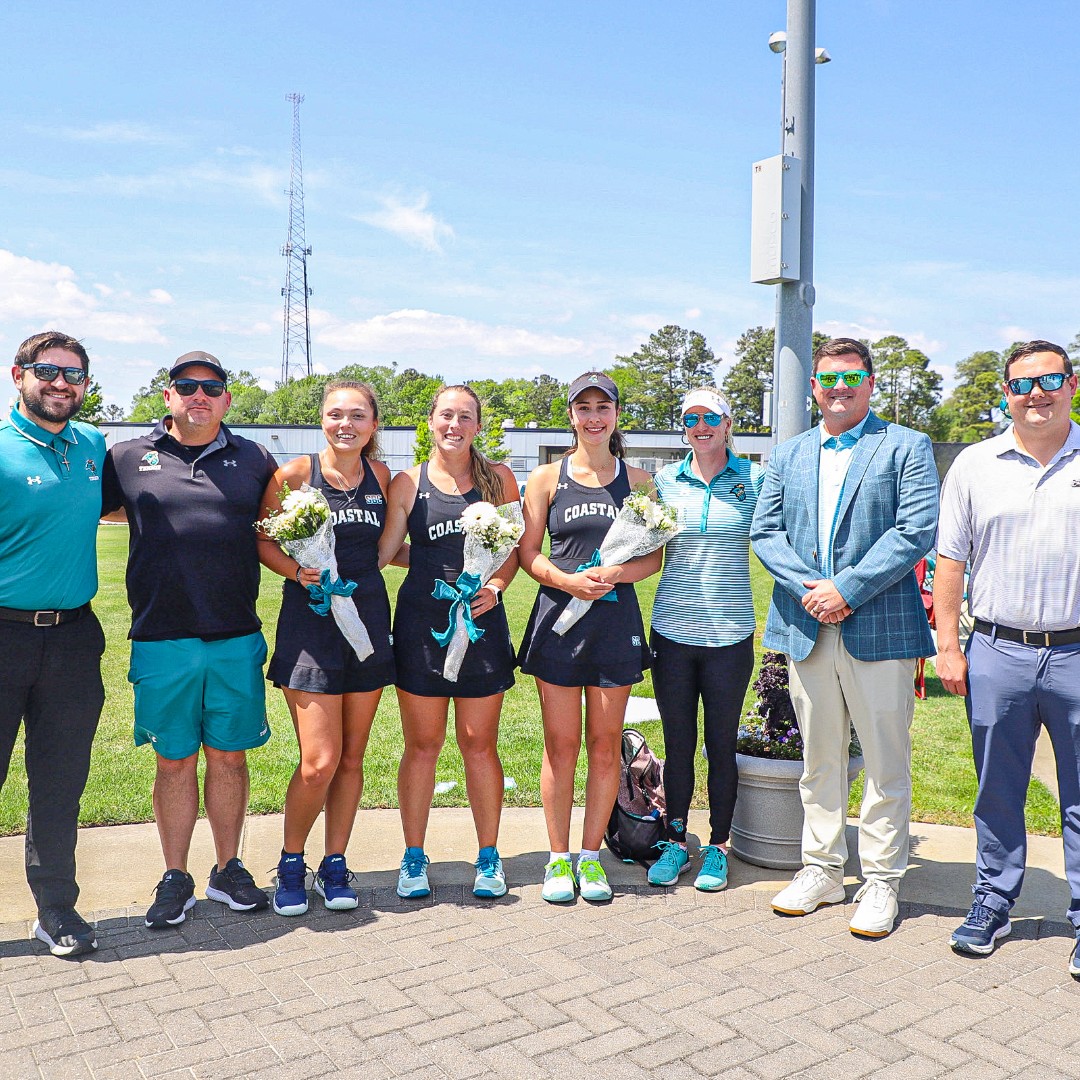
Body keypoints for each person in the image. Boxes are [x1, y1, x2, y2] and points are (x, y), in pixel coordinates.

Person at [751, 337, 938, 938]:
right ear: (813, 387)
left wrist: (847, 589)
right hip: (807, 622)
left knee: (886, 758)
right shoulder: (790, 453)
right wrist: (812, 586)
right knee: (819, 755)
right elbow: (766, 530)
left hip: (877, 626)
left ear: (871, 382)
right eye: (828, 379)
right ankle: (822, 868)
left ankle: (882, 879)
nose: (838, 389)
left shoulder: (905, 446)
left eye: (850, 377)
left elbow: (915, 531)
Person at [102, 351, 276, 929]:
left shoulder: (255, 459)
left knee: (229, 757)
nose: (198, 395)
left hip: (235, 637)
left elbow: (279, 535)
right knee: (174, 762)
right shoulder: (126, 458)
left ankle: (228, 869)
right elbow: (73, 516)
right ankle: (175, 876)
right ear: (167, 396)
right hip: (162, 639)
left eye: (211, 387)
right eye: (186, 386)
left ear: (228, 398)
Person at [935, 340, 1080, 974]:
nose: (1037, 394)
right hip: (997, 650)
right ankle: (992, 903)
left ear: (1072, 384)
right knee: (998, 789)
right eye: (1022, 385)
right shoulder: (975, 463)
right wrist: (948, 645)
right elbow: (949, 562)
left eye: (1050, 380)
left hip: (1077, 651)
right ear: (1006, 394)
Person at [518, 372, 662, 903]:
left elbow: (653, 556)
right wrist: (567, 579)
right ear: (572, 416)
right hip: (558, 622)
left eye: (604, 407)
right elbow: (528, 553)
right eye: (584, 408)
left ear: (616, 415)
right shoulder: (546, 479)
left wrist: (615, 576)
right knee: (561, 747)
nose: (594, 417)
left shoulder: (640, 481)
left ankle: (591, 857)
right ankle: (558, 858)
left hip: (613, 624)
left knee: (604, 747)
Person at [258, 380, 395, 916]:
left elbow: (392, 546)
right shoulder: (294, 475)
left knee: (352, 758)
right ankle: (292, 861)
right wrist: (298, 572)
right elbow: (265, 539)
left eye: (357, 415)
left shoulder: (382, 477)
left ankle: (334, 862)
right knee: (319, 760)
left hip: (366, 625)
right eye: (336, 414)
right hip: (310, 626)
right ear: (322, 421)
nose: (346, 424)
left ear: (373, 425)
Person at [380, 385, 520, 900]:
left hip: (481, 625)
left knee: (479, 745)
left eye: (465, 416)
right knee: (422, 746)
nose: (454, 425)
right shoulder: (407, 482)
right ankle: (414, 857)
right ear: (431, 421)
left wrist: (495, 586)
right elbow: (387, 552)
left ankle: (488, 856)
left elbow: (513, 550)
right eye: (446, 415)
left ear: (478, 425)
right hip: (421, 626)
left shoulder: (498, 478)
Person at [0, 332, 105, 957]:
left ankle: (56, 909)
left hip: (72, 638)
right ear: (19, 375)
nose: (60, 384)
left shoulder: (90, 444)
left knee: (60, 781)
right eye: (47, 371)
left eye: (73, 375)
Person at [647, 388, 763, 892]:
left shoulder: (754, 480)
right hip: (672, 631)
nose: (700, 425)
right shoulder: (664, 482)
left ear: (728, 422)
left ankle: (717, 846)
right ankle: (676, 841)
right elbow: (640, 544)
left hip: (730, 635)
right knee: (678, 744)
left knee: (720, 743)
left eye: (710, 416)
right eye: (690, 417)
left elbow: (778, 541)